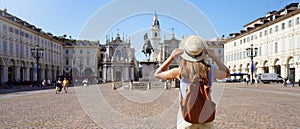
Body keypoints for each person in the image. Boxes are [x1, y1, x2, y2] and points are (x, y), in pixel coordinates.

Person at [154, 35, 230, 129]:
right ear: (203, 53)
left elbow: (157, 74)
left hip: (186, 117)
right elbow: (227, 73)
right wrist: (214, 57)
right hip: (206, 116)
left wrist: (171, 57)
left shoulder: (180, 71)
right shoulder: (210, 70)